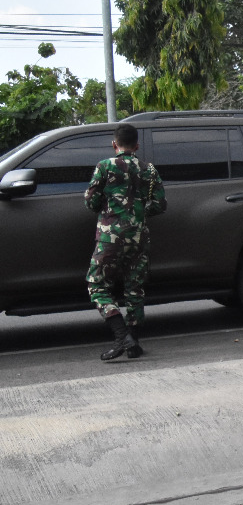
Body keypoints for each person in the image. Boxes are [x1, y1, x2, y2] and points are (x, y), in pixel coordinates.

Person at [84, 122, 166, 360]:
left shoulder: (105, 166)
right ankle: (134, 342)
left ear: (114, 144)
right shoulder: (148, 169)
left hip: (110, 237)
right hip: (139, 237)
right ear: (137, 145)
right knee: (134, 289)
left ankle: (122, 336)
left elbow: (90, 203)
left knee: (96, 285)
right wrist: (137, 212)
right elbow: (160, 204)